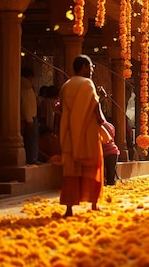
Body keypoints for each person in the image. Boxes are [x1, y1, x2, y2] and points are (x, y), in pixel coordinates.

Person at [58, 55, 105, 217]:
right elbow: (95, 108)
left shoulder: (66, 85)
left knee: (71, 171)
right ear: (84, 66)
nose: (91, 70)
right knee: (93, 168)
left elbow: (61, 109)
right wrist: (102, 120)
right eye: (91, 67)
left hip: (70, 134)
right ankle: (93, 204)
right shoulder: (87, 84)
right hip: (88, 135)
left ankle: (69, 209)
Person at [21, 66, 40, 166]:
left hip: (29, 116)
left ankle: (31, 159)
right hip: (30, 117)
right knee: (31, 139)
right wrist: (29, 119)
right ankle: (32, 159)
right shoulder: (26, 86)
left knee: (29, 139)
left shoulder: (25, 86)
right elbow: (25, 103)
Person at [101, 121, 119, 186]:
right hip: (113, 151)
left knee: (102, 174)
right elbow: (113, 135)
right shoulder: (110, 125)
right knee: (111, 174)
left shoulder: (98, 126)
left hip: (104, 152)